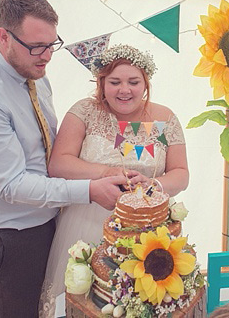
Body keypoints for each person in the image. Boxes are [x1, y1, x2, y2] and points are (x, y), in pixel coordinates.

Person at [0, 0, 134, 318]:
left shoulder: (35, 77)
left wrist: (103, 168)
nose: (47, 56)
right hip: (3, 239)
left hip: (41, 225)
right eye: (36, 46)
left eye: (52, 44)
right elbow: (12, 185)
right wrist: (90, 191)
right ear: (3, 36)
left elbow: (47, 157)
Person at [38, 44, 189, 317]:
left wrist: (152, 185)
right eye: (115, 82)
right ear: (101, 82)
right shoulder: (84, 111)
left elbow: (181, 174)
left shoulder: (165, 118)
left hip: (150, 230)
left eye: (133, 82)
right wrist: (105, 172)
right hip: (86, 223)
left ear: (145, 83)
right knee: (88, 303)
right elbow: (58, 164)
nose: (124, 90)